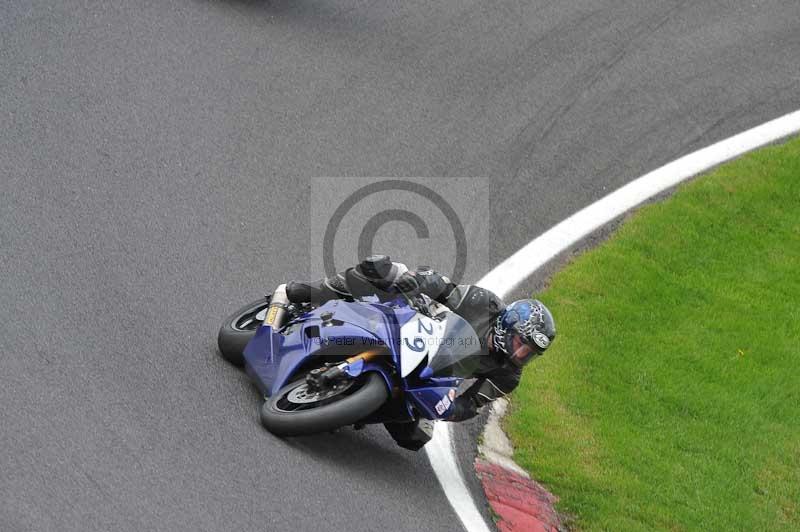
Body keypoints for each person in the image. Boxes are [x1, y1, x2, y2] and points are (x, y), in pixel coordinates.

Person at [285, 255, 556, 421]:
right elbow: (442, 287)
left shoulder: (509, 375)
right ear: (509, 325)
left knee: (415, 434)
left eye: (529, 353)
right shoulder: (483, 303)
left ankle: (350, 408)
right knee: (385, 271)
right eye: (522, 344)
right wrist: (415, 283)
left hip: (435, 373)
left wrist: (450, 409)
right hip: (419, 325)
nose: (521, 355)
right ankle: (318, 291)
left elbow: (472, 403)